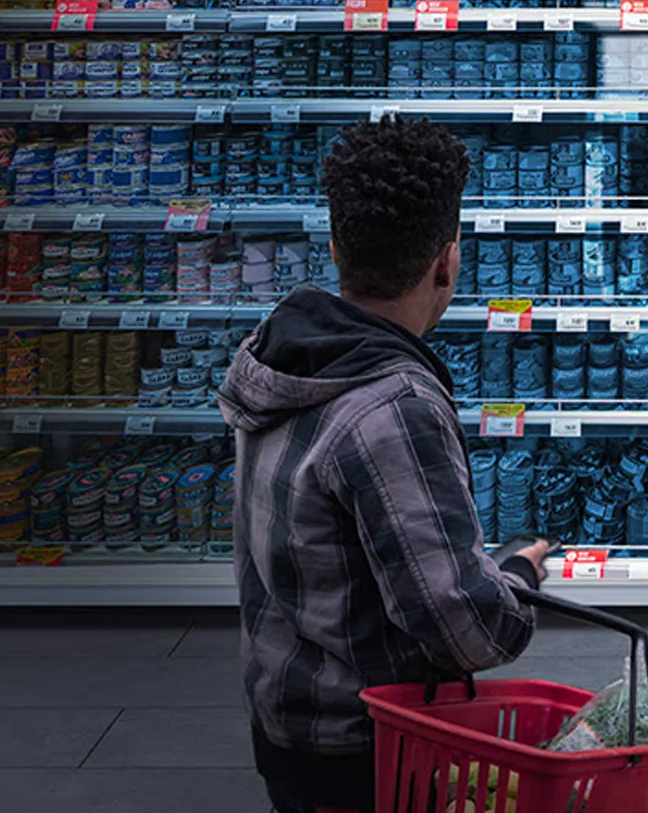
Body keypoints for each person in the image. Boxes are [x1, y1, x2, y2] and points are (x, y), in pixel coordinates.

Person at [218, 116, 550, 813]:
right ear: (447, 261)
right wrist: (517, 578)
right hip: (371, 742)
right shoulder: (392, 406)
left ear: (336, 248)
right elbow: (467, 628)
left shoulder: (281, 356)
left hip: (288, 716)